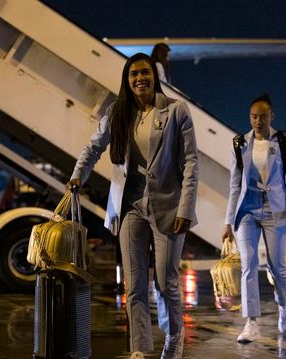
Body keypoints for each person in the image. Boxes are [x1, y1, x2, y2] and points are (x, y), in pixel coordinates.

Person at [67, 53, 199, 359]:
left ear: (154, 76)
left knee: (165, 281)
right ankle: (139, 348)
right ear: (127, 81)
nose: (140, 78)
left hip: (168, 206)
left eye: (145, 73)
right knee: (136, 284)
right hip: (130, 206)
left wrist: (185, 208)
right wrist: (77, 177)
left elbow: (191, 162)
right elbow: (93, 147)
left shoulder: (176, 111)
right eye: (134, 74)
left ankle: (174, 337)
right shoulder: (118, 113)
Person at [222, 93, 286, 343]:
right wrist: (228, 222)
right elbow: (235, 186)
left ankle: (284, 305)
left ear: (272, 116)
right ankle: (251, 323)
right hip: (247, 210)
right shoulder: (239, 143)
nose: (258, 121)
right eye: (253, 116)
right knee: (248, 266)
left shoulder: (282, 140)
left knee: (277, 266)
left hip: (276, 209)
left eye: (263, 116)